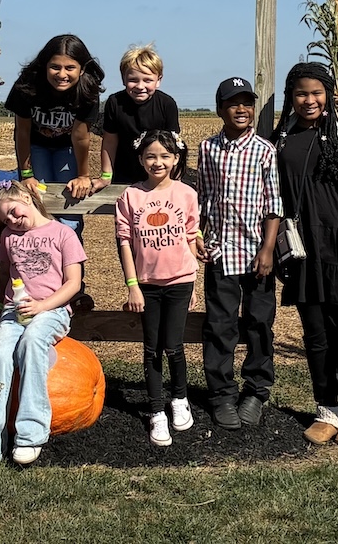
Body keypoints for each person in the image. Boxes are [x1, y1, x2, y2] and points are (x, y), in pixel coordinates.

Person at [272, 62, 338, 447]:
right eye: (301, 93)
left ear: (328, 95)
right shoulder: (280, 137)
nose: (309, 100)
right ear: (291, 97)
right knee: (314, 333)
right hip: (302, 250)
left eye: (316, 93)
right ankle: (327, 410)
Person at [0, 183, 86, 470]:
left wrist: (42, 306)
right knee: (0, 359)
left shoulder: (63, 233)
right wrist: (0, 305)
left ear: (26, 197)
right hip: (15, 310)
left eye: (13, 212)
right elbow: (3, 272)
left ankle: (30, 434)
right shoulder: (10, 238)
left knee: (33, 341)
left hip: (53, 310)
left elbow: (73, 283)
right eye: (5, 220)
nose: (11, 221)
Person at [195, 77, 283, 430]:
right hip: (221, 253)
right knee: (220, 326)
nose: (241, 109)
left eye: (247, 103)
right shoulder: (207, 149)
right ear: (220, 110)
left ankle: (256, 390)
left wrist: (267, 249)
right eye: (233, 103)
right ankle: (221, 394)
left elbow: (273, 204)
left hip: (255, 255)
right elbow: (203, 198)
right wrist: (198, 235)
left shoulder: (265, 150)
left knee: (260, 323)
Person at [114, 130, 199, 446]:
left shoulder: (186, 194)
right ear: (140, 159)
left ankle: (179, 399)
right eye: (151, 156)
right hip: (146, 285)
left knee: (174, 346)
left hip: (180, 282)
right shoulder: (131, 197)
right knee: (151, 349)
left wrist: (195, 284)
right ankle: (156, 412)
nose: (157, 162)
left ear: (176, 159)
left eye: (165, 156)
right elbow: (124, 242)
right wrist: (132, 286)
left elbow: (191, 238)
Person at [4, 34, 105, 236]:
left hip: (67, 147)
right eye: (55, 67)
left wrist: (83, 176)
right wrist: (26, 174)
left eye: (70, 68)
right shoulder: (28, 85)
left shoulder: (87, 89)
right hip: (36, 146)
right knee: (38, 198)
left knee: (70, 198)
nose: (62, 74)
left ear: (82, 68)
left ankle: (71, 249)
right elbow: (22, 132)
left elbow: (81, 137)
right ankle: (42, 248)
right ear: (44, 66)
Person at [97, 45, 180, 188]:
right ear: (123, 79)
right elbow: (110, 141)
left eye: (147, 80)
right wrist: (106, 175)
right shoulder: (115, 103)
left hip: (157, 172)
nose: (140, 86)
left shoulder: (167, 104)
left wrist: (175, 178)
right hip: (124, 171)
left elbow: (174, 144)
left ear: (158, 80)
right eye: (133, 80)